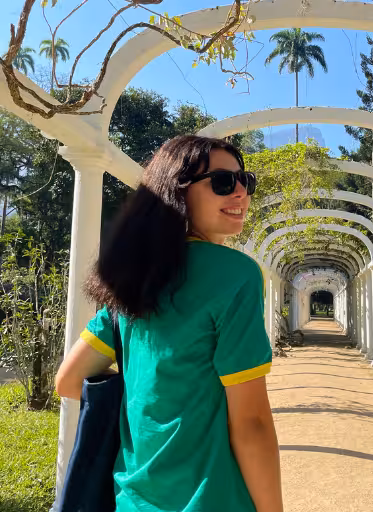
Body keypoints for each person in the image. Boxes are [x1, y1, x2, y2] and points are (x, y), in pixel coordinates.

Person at [55, 136, 284, 512]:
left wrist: (153, 396)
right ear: (176, 192)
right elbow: (252, 422)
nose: (241, 192)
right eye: (223, 182)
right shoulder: (234, 274)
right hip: (212, 499)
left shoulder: (132, 282)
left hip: (132, 497)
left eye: (246, 181)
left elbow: (68, 381)